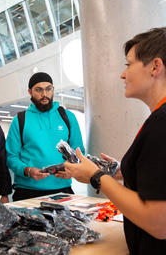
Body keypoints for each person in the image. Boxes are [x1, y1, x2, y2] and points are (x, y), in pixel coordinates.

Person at [64, 27, 166, 254]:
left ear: (155, 66)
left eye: (128, 65)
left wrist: (96, 176)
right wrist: (122, 171)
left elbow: (159, 223)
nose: (122, 74)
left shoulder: (162, 122)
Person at [6, 72, 85, 201]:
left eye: (48, 89)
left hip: (62, 191)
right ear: (30, 92)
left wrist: (73, 170)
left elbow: (79, 152)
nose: (44, 94)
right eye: (39, 90)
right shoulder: (20, 119)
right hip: (26, 191)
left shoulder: (68, 117)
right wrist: (28, 170)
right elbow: (11, 156)